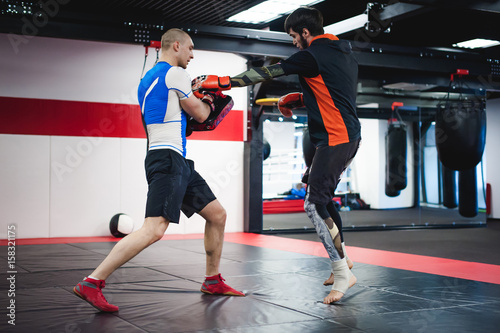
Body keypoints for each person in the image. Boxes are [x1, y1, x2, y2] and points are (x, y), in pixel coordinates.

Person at [193, 7, 360, 304]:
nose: (294, 42)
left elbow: (267, 72)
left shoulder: (311, 55)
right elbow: (336, 92)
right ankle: (343, 263)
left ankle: (343, 271)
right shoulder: (343, 52)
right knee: (321, 198)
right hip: (345, 136)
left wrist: (221, 82)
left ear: (306, 33)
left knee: (314, 203)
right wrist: (296, 98)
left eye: (294, 36)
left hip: (336, 138)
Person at [73, 28, 245, 313]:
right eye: (190, 48)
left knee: (217, 215)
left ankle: (212, 280)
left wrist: (200, 96)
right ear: (175, 45)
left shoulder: (147, 79)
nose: (192, 55)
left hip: (173, 159)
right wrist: (210, 99)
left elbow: (178, 118)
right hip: (167, 161)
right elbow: (202, 115)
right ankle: (92, 282)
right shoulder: (175, 73)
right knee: (154, 229)